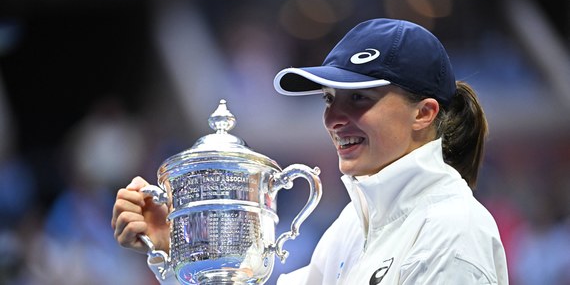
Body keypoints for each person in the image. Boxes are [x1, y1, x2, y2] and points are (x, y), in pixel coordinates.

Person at [112, 18, 508, 284]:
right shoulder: (352, 227)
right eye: (329, 99)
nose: (334, 118)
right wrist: (184, 249)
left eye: (359, 99)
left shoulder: (456, 232)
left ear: (423, 113)